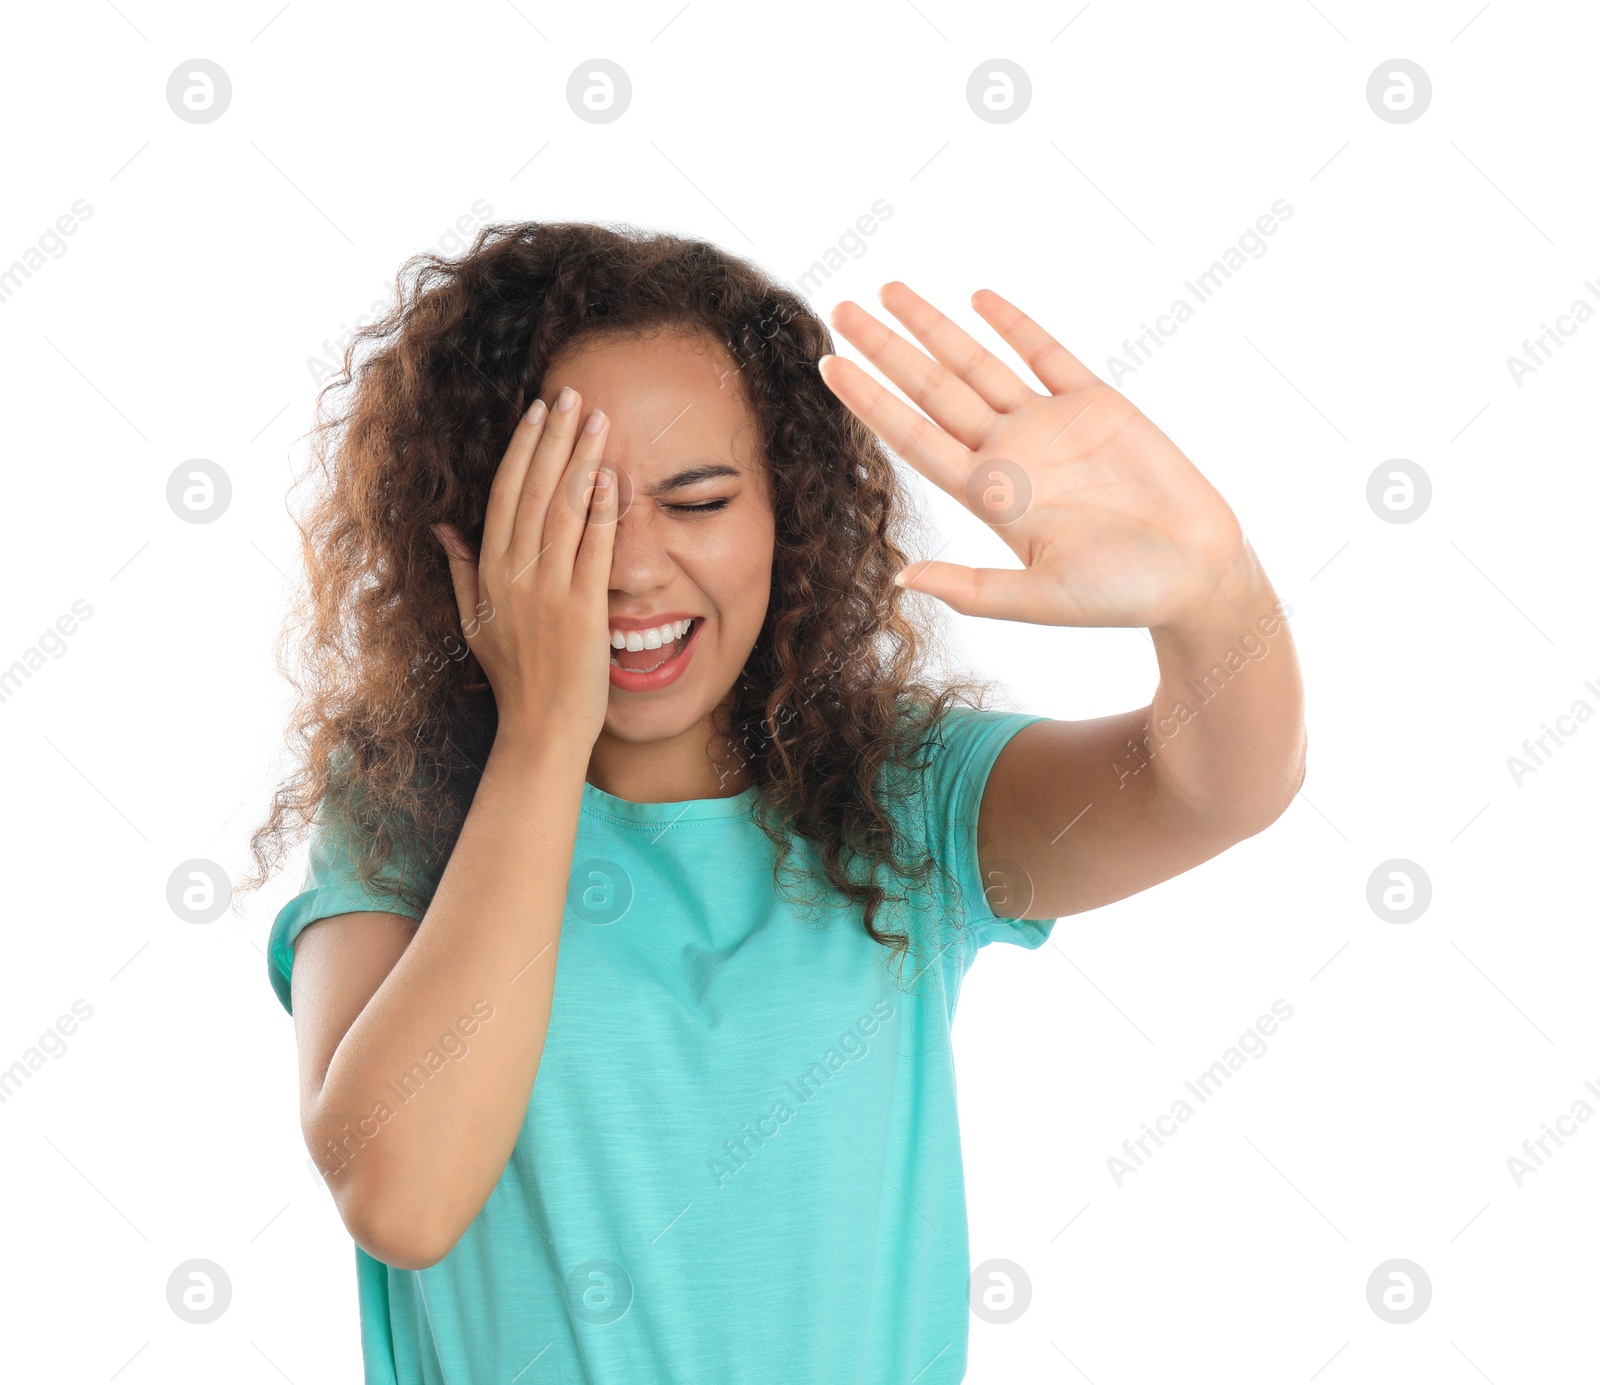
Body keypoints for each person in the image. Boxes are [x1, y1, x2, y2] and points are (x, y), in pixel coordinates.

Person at [241, 221, 1305, 1384]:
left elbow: (1219, 787)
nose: (633, 568)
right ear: (468, 533)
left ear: (786, 521)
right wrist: (544, 726)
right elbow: (401, 1195)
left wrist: (1211, 591)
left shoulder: (905, 797)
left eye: (696, 500)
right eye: (568, 515)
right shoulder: (405, 809)